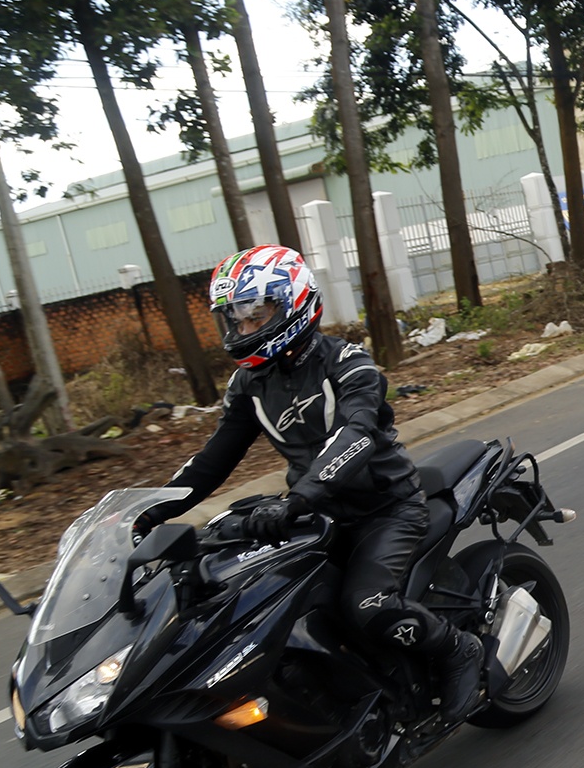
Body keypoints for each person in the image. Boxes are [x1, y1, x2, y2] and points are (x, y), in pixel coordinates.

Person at [140, 245, 484, 719]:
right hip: (314, 516)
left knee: (367, 605)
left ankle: (458, 649)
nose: (243, 328)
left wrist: (299, 498)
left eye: (255, 315)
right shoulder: (249, 385)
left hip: (385, 510)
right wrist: (147, 512)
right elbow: (211, 462)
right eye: (235, 318)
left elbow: (356, 435)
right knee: (256, 604)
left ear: (294, 304)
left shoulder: (348, 362)